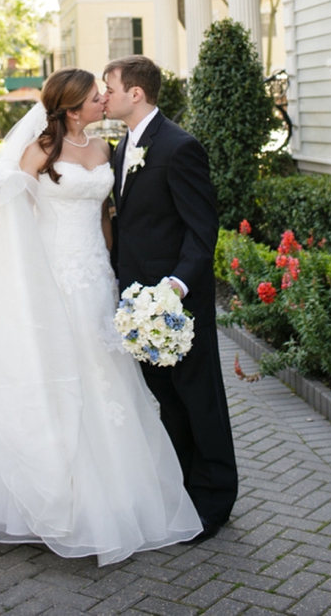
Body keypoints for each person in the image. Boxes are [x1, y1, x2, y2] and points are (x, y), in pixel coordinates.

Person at [0, 67, 201, 565]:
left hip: (96, 277)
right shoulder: (39, 151)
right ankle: (43, 500)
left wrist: (116, 274)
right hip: (52, 277)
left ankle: (113, 497)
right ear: (70, 107)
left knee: (106, 379)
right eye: (94, 96)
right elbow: (13, 219)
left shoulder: (106, 150)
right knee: (53, 374)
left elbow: (106, 217)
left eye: (104, 94)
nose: (103, 100)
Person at [103, 55, 238, 541]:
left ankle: (216, 500)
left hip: (178, 303)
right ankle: (182, 490)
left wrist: (174, 289)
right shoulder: (121, 148)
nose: (105, 95)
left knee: (200, 399)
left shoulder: (180, 147)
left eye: (110, 87)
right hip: (137, 302)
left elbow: (202, 232)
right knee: (167, 402)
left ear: (135, 93)